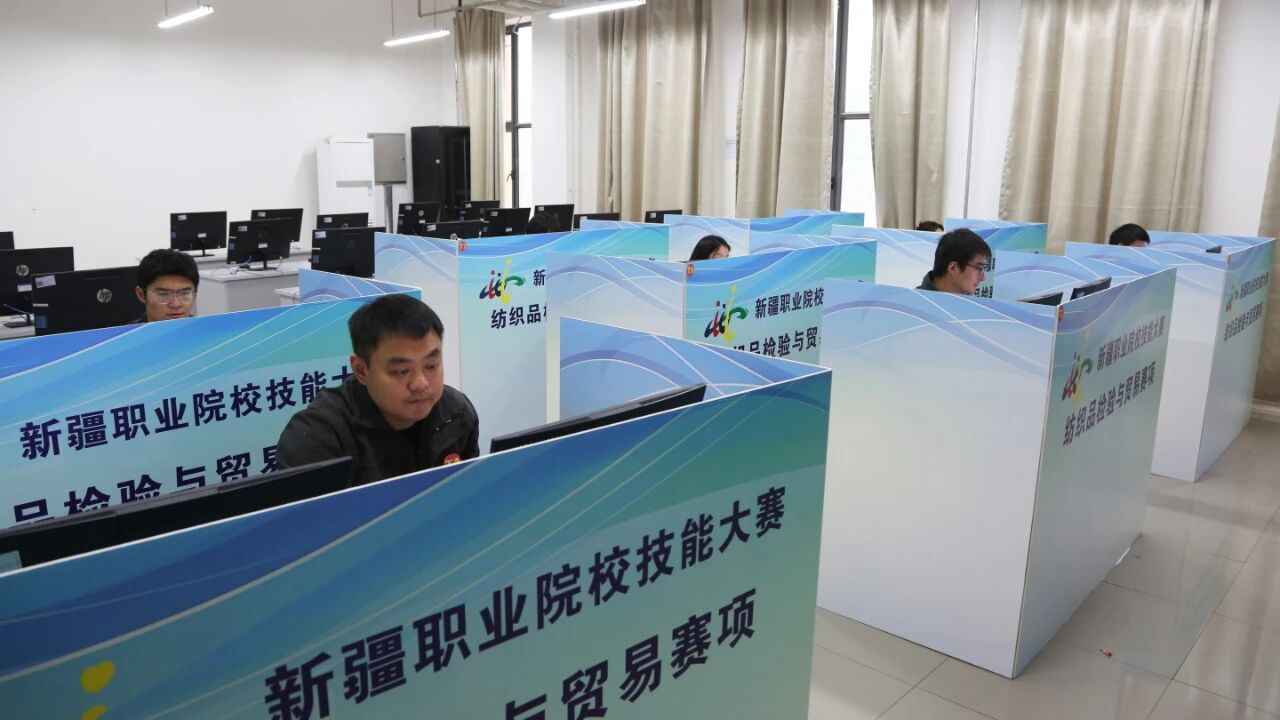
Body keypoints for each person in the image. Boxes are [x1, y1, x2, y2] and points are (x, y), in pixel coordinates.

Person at [276, 293, 480, 485]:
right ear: (361, 370)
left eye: (431, 366)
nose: (420, 383)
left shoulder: (457, 413)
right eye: (401, 371)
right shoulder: (317, 439)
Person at [917, 228, 992, 295]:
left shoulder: (967, 304)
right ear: (953, 268)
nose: (983, 278)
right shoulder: (914, 303)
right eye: (979, 269)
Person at [134, 248, 199, 323]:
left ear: (195, 291)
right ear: (141, 295)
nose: (176, 304)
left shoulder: (205, 328)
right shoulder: (129, 331)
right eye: (164, 294)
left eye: (184, 293)